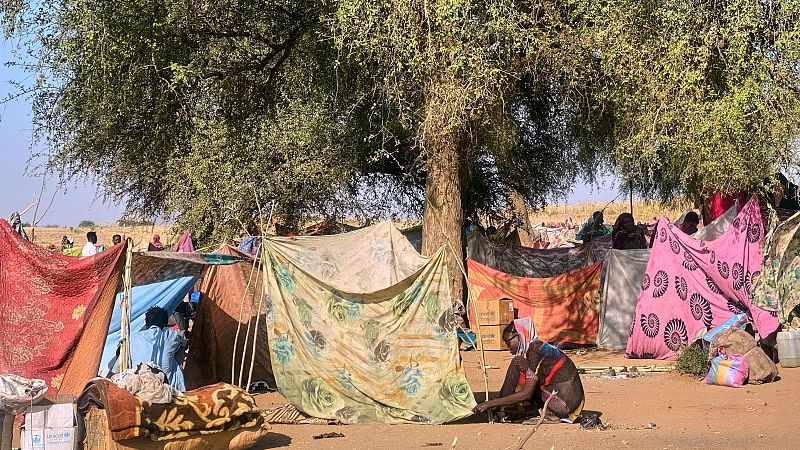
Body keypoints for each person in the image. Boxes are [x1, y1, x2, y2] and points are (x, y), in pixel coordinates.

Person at [473, 318, 585, 423]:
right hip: (569, 401)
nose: (509, 348)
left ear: (519, 336)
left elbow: (527, 394)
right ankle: (503, 407)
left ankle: (507, 407)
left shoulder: (535, 351)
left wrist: (490, 404)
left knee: (520, 367)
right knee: (519, 362)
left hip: (563, 404)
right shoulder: (536, 347)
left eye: (509, 343)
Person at [130, 307, 187, 391]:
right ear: (165, 323)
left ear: (146, 324)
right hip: (166, 387)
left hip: (139, 384)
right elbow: (183, 342)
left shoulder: (133, 337)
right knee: (179, 349)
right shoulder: (171, 334)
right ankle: (179, 387)